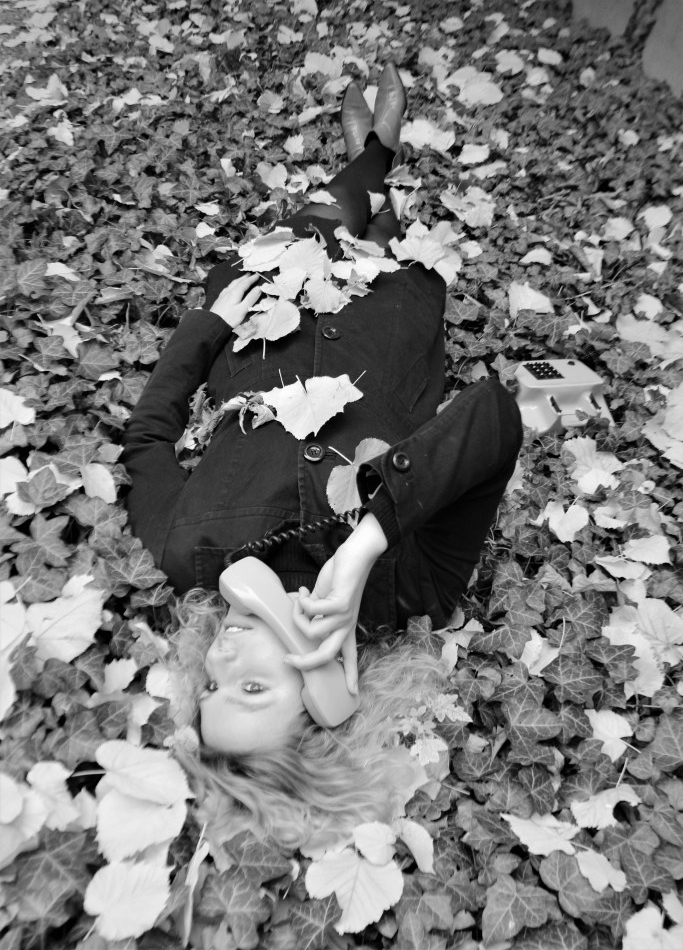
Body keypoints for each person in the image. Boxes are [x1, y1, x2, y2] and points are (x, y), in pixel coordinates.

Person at [122, 64, 522, 847]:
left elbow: (146, 438)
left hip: (268, 305)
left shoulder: (185, 551)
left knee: (327, 210)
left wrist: (210, 322)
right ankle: (375, 164)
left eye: (211, 686)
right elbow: (493, 415)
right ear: (325, 695)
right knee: (381, 234)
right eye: (250, 688)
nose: (222, 654)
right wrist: (368, 543)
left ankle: (372, 151)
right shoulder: (412, 586)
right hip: (390, 327)